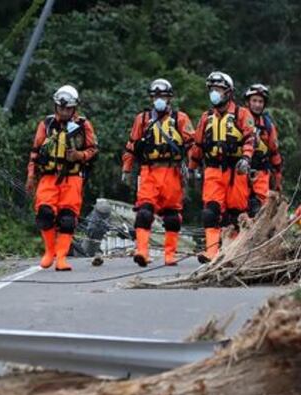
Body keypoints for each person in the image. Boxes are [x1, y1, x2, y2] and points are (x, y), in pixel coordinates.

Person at [121, 78, 195, 267]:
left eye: (163, 96)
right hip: (149, 171)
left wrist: (192, 167)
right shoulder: (142, 119)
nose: (159, 100)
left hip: (172, 172)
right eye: (156, 96)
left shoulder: (180, 119)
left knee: (172, 217)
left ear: (169, 98)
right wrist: (127, 168)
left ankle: (170, 255)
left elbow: (192, 145)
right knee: (144, 212)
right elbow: (131, 145)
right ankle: (142, 251)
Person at [26, 85, 97, 271]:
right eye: (61, 108)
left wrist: (79, 155)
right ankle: (49, 251)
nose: (64, 112)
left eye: (68, 108)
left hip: (72, 178)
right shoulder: (46, 125)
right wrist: (31, 176)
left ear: (74, 108)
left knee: (67, 218)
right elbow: (35, 152)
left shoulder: (83, 125)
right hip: (49, 177)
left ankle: (62, 257)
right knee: (45, 213)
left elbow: (93, 150)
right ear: (56, 106)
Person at [188, 71, 256, 263]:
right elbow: (198, 145)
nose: (214, 93)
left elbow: (250, 139)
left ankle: (234, 252)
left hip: (236, 171)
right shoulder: (206, 117)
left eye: (218, 89)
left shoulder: (242, 114)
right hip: (212, 170)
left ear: (228, 92)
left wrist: (246, 158)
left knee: (236, 214)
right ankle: (211, 252)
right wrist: (191, 167)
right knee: (210, 211)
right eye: (212, 89)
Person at [243, 84, 283, 215]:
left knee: (258, 209)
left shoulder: (267, 125)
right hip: (240, 171)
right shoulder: (238, 119)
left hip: (261, 171)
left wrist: (277, 180)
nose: (257, 105)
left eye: (260, 102)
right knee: (237, 207)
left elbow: (275, 153)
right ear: (248, 102)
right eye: (254, 101)